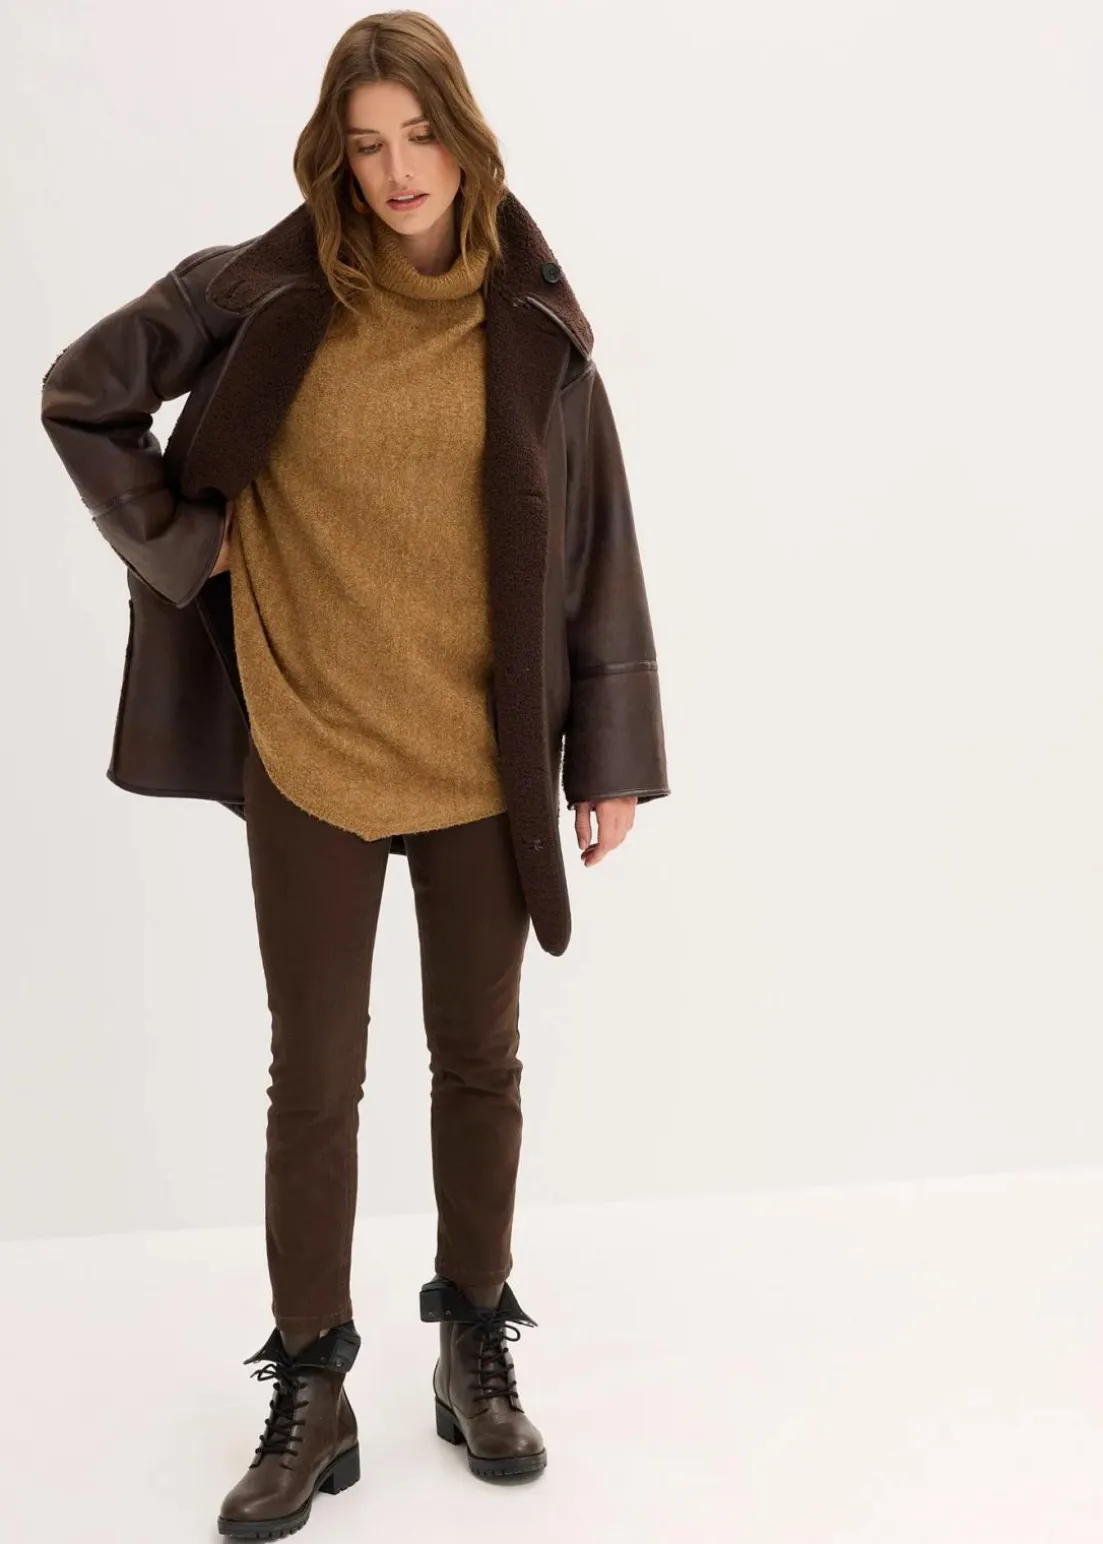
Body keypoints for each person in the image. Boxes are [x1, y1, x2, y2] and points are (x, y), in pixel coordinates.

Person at [40, 10, 669, 1537]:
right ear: (334, 153)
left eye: (420, 136)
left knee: (479, 1060)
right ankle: (311, 1382)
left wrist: (610, 752)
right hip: (309, 736)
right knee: (313, 1074)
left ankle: (472, 1341)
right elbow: (82, 392)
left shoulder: (534, 327)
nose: (396, 171)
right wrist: (186, 545)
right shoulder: (254, 293)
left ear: (466, 139)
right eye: (367, 143)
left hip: (479, 754)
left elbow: (594, 545)